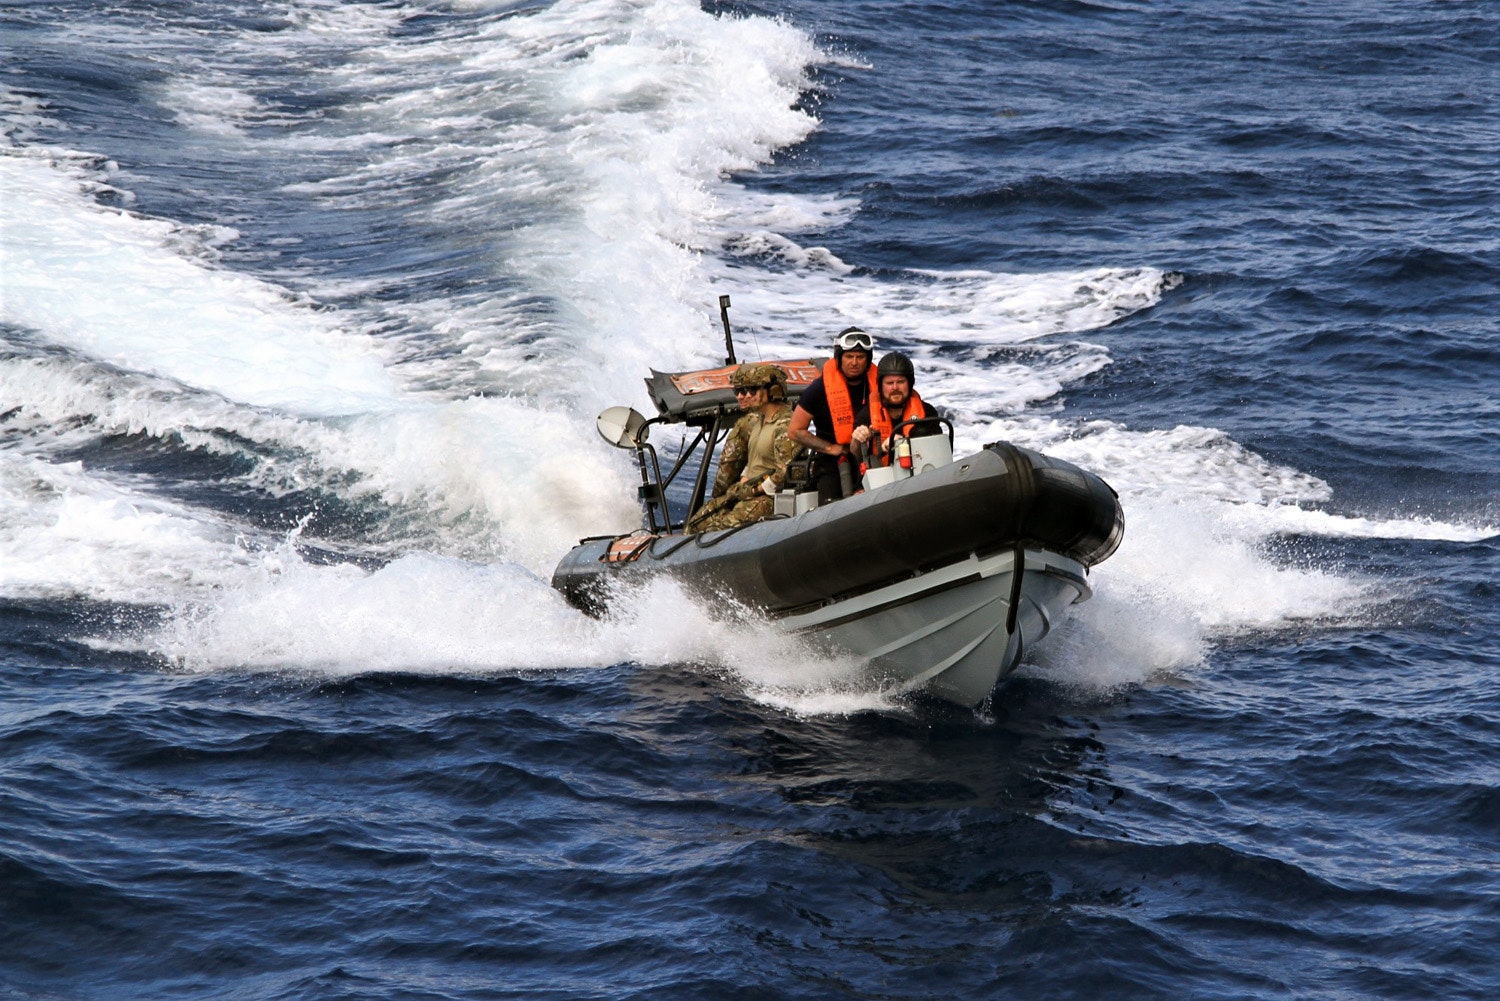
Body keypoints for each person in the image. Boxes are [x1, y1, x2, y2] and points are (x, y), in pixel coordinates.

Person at [685, 363, 801, 534]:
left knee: (718, 531)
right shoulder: (757, 422)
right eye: (738, 392)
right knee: (695, 525)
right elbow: (753, 459)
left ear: (773, 391)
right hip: (747, 493)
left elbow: (786, 472)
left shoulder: (785, 425)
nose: (742, 396)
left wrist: (755, 490)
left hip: (767, 499)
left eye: (751, 391)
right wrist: (743, 482)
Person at [787, 326, 880, 503]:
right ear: (839, 358)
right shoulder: (818, 389)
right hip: (833, 462)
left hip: (874, 457)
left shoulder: (880, 384)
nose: (854, 362)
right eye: (849, 357)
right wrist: (831, 448)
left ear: (868, 360)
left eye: (860, 357)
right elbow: (795, 431)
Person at [850, 351, 939, 468]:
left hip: (921, 474)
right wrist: (857, 439)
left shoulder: (927, 412)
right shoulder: (866, 415)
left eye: (901, 382)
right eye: (889, 383)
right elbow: (855, 456)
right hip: (879, 478)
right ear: (881, 386)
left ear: (910, 383)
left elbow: (938, 452)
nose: (895, 387)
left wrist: (902, 443)